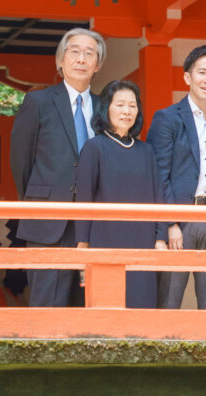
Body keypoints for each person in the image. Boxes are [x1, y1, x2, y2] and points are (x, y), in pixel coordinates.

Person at [10, 27, 105, 307]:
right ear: (60, 60)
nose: (81, 59)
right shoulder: (38, 102)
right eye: (74, 51)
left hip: (93, 221)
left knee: (88, 303)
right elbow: (21, 162)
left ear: (97, 64)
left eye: (89, 54)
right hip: (46, 217)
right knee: (46, 304)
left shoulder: (105, 107)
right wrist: (38, 199)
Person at [147, 44, 206, 309]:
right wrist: (170, 223)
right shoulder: (167, 118)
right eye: (202, 72)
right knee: (170, 300)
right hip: (181, 220)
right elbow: (158, 175)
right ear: (187, 77)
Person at [75, 80, 167, 309]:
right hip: (104, 238)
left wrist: (160, 237)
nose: (127, 111)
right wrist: (82, 244)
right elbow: (84, 198)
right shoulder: (94, 148)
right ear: (106, 108)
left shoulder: (146, 150)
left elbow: (158, 196)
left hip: (142, 240)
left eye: (132, 106)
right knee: (106, 307)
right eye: (120, 105)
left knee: (141, 306)